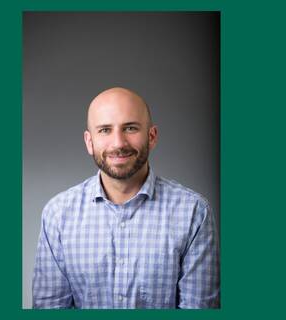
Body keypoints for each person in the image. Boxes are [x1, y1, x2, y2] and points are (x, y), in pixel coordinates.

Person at [32, 87, 220, 309]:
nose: (118, 143)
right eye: (104, 130)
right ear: (89, 141)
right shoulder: (57, 215)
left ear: (152, 136)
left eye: (130, 128)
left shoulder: (193, 213)